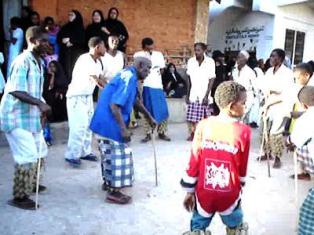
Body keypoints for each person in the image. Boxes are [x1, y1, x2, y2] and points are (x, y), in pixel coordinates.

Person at [181, 81, 251, 235]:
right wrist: (241, 184)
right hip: (229, 192)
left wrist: (189, 191)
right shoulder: (244, 131)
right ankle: (235, 230)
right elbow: (242, 166)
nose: (246, 106)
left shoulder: (203, 125)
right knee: (235, 223)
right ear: (232, 106)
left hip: (204, 192)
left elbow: (194, 160)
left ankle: (197, 232)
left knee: (198, 223)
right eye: (244, 103)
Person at [89, 56, 156, 204]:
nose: (149, 72)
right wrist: (123, 129)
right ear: (139, 65)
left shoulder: (127, 74)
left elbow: (134, 100)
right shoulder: (129, 78)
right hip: (109, 123)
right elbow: (114, 105)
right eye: (147, 68)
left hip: (103, 122)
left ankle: (109, 183)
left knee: (108, 155)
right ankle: (114, 192)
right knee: (119, 156)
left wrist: (148, 116)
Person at [0, 26, 51, 210]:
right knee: (27, 155)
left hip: (30, 117)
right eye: (43, 41)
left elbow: (35, 90)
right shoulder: (22, 61)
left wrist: (42, 107)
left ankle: (32, 183)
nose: (47, 44)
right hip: (14, 116)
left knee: (41, 149)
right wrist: (39, 103)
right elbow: (16, 90)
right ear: (32, 41)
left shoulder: (39, 62)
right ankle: (20, 197)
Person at [65, 37, 106, 167]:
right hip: (76, 97)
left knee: (89, 126)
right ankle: (72, 155)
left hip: (87, 97)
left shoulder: (98, 62)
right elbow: (96, 80)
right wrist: (111, 90)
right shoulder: (84, 59)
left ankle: (84, 152)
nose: (105, 49)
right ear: (97, 47)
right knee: (79, 126)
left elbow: (101, 78)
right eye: (104, 46)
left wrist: (111, 85)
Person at [285, 86, 314, 235]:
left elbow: (293, 141)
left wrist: (289, 142)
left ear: (304, 105)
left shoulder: (306, 120)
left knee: (308, 214)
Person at [259, 48, 294, 168]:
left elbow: (285, 93)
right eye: (271, 56)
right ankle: (267, 153)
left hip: (280, 106)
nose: (271, 58)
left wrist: (273, 91)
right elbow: (264, 86)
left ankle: (278, 157)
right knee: (264, 130)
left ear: (281, 59)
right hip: (268, 105)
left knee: (276, 133)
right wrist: (266, 97)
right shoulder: (269, 71)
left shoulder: (288, 73)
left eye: (274, 56)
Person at [134, 37, 171, 143]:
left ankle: (162, 132)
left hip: (157, 85)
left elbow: (162, 69)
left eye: (152, 47)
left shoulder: (158, 54)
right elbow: (137, 69)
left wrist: (156, 73)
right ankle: (148, 134)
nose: (151, 49)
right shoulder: (138, 55)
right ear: (143, 47)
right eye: (148, 48)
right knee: (147, 109)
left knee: (163, 110)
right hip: (145, 85)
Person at [286, 63, 313, 180]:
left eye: (297, 78)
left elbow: (295, 139)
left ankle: (304, 172)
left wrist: (290, 142)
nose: (296, 81)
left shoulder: (306, 118)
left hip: (306, 121)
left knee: (297, 146)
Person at [185, 43, 215, 141]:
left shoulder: (210, 62)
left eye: (199, 50)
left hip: (204, 93)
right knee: (192, 117)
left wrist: (206, 95)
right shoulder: (191, 61)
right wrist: (187, 94)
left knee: (204, 118)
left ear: (204, 50)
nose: (196, 52)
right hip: (194, 93)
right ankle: (193, 134)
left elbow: (211, 79)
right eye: (195, 50)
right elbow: (188, 79)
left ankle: (203, 135)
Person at [57, 10, 85, 82]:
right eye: (69, 15)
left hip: (75, 54)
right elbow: (59, 38)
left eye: (72, 15)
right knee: (64, 72)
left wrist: (71, 41)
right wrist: (62, 40)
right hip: (65, 54)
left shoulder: (80, 28)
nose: (70, 16)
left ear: (76, 16)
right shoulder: (65, 27)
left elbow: (82, 40)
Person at [232, 50, 258, 127]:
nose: (238, 59)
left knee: (241, 118)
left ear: (245, 59)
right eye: (238, 57)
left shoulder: (250, 72)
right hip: (236, 97)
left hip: (247, 97)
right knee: (236, 119)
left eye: (240, 57)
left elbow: (255, 88)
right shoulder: (234, 70)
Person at [211, 50, 230, 115]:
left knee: (216, 102)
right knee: (218, 103)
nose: (222, 58)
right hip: (218, 86)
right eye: (221, 57)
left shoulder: (212, 63)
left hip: (215, 86)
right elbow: (221, 75)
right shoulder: (218, 64)